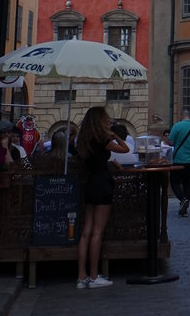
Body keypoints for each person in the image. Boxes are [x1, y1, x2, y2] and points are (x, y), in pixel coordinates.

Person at [75, 106, 129, 289]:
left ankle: (81, 277)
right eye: (106, 120)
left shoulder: (84, 139)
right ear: (100, 121)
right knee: (98, 232)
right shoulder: (102, 138)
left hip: (90, 183)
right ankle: (94, 275)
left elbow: (95, 160)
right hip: (102, 183)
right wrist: (115, 136)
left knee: (86, 232)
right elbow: (125, 148)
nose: (108, 122)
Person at [165, 111, 190, 216]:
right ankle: (184, 210)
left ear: (181, 116)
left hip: (178, 160)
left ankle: (183, 200)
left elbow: (170, 142)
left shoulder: (176, 126)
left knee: (174, 182)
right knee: (188, 185)